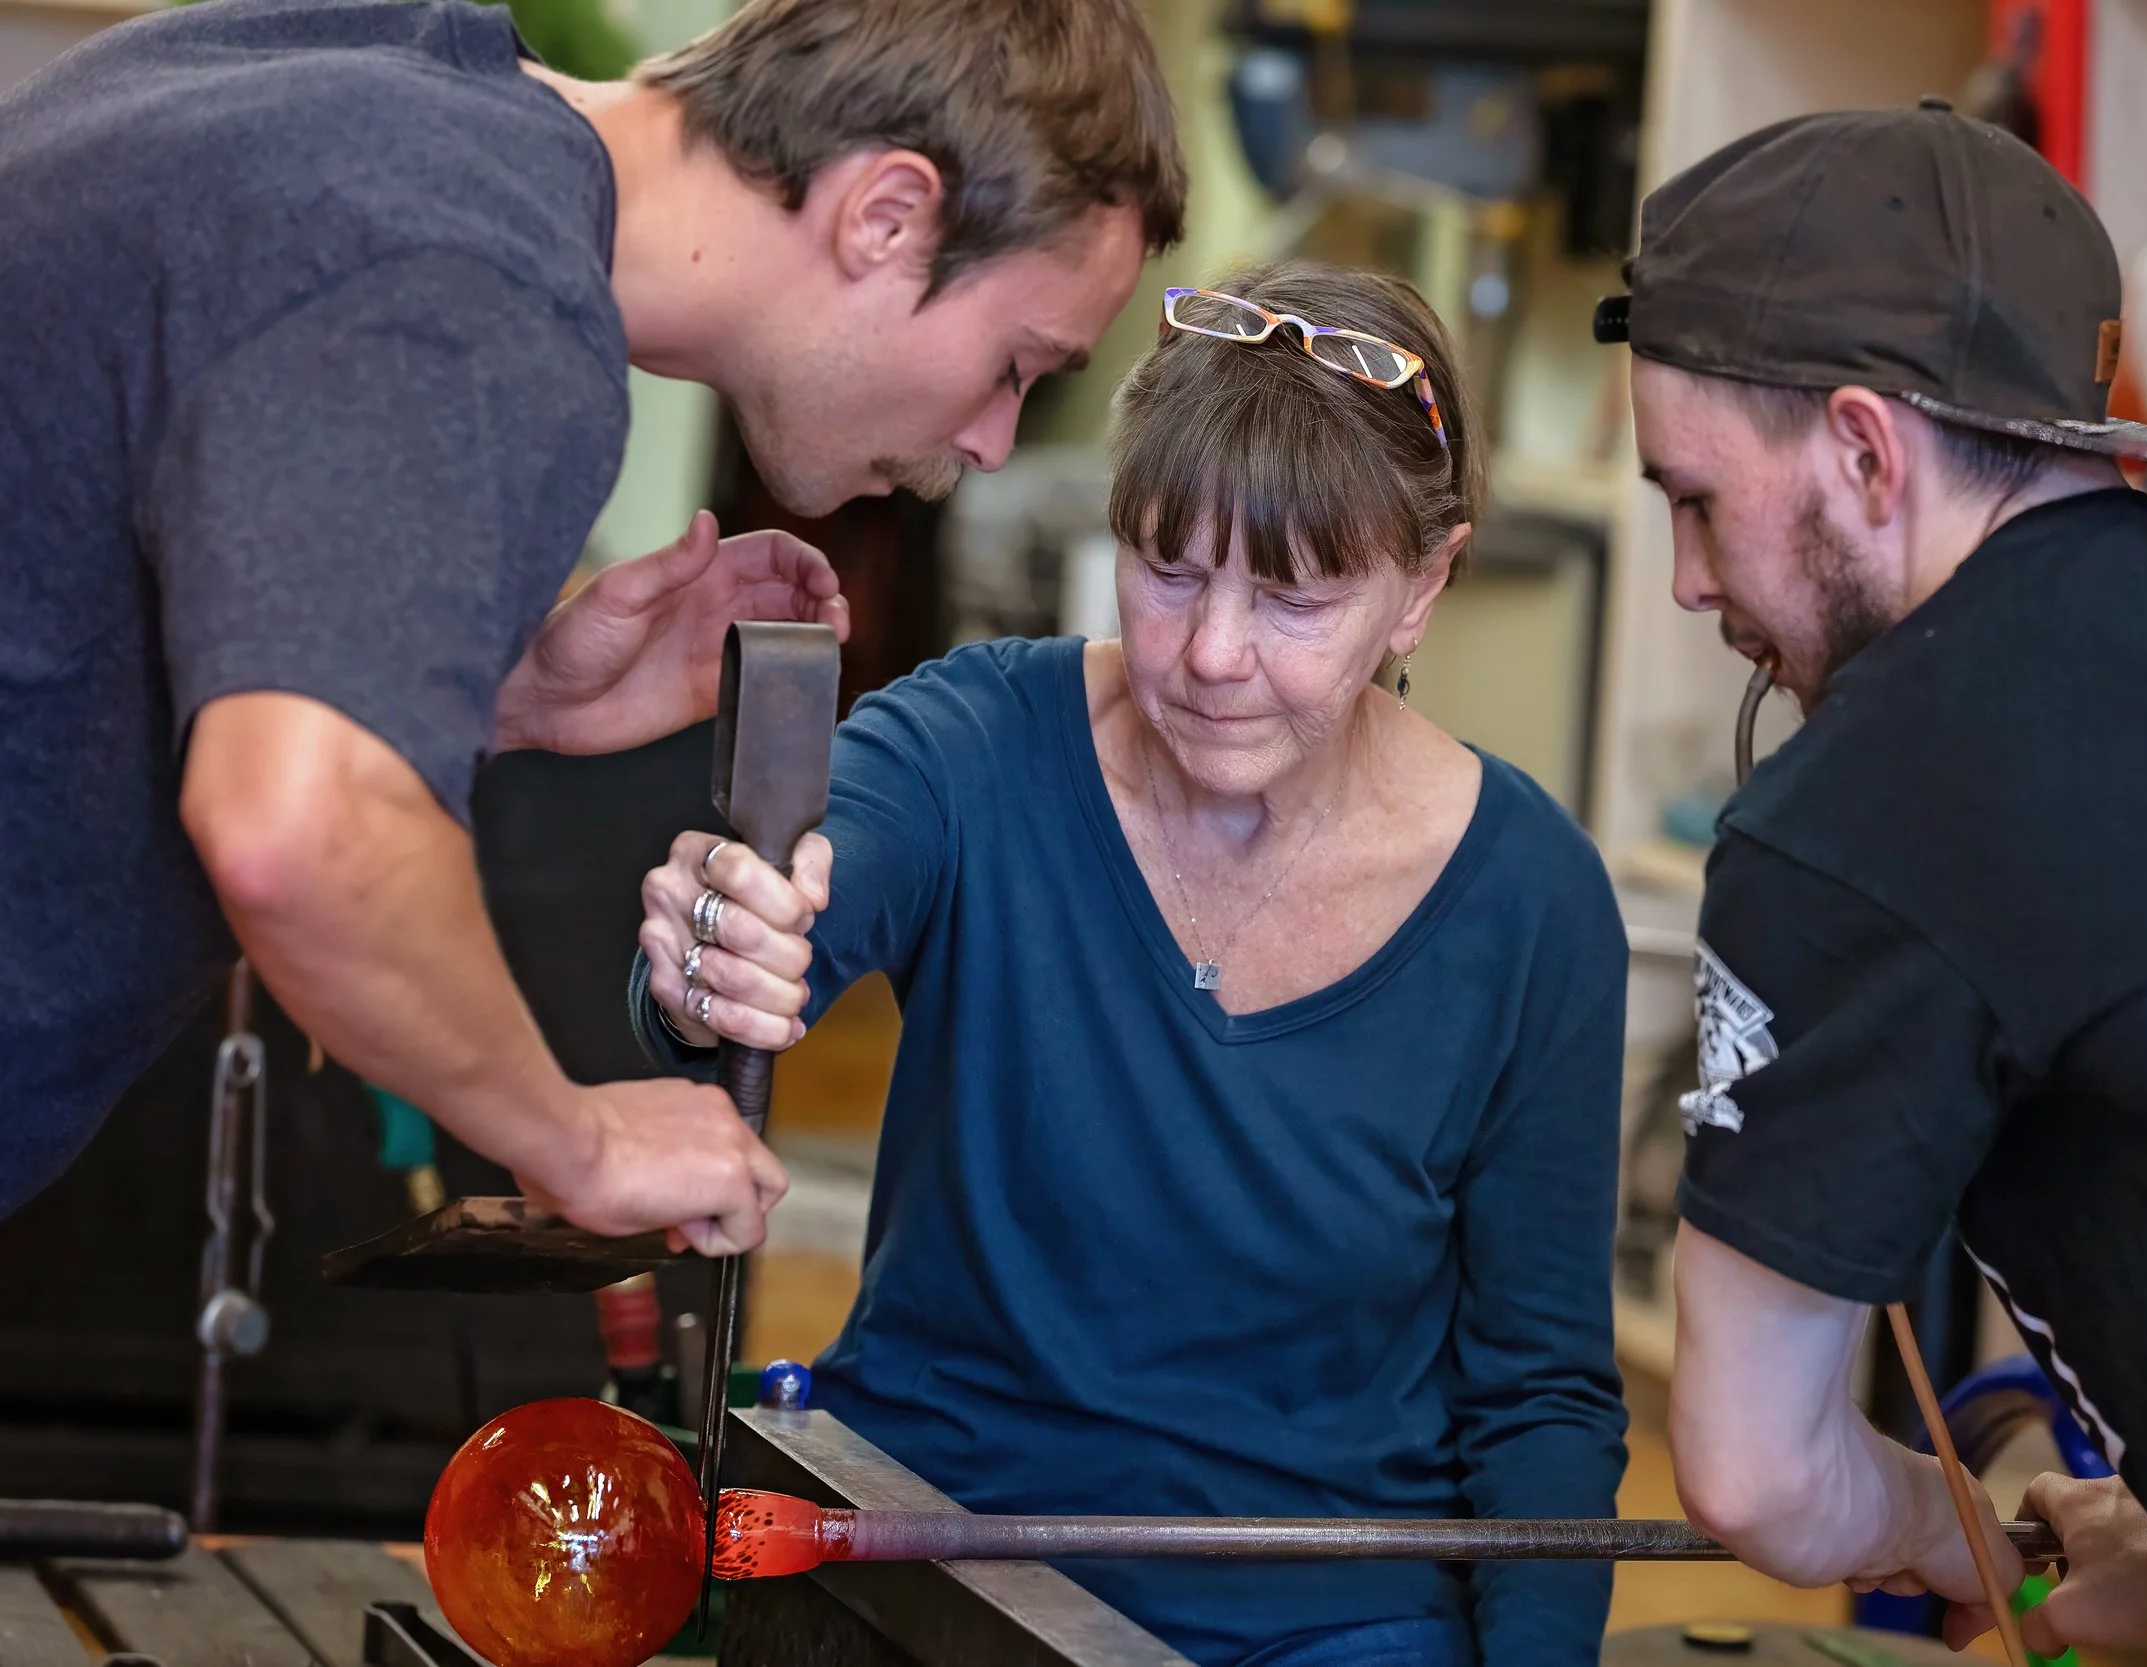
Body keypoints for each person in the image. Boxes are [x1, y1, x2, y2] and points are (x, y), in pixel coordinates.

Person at [0, 0, 1187, 1239]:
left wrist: (505, 694)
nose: (994, 442)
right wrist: (581, 1138)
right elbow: (298, 828)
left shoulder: (351, 85)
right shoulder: (473, 282)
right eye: (1016, 364)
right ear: (885, 215)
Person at [1595, 102, 2147, 1663]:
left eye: (1696, 498)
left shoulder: (1864, 802)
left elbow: (1752, 1463)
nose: (1688, 578)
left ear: (1867, 451)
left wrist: (1940, 1526)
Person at [632, 261, 1630, 1667]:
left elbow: (1539, 1398)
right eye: (1170, 569)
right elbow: (786, 904)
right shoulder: (972, 747)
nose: (1213, 652)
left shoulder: (1531, 899)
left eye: (1294, 597)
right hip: (938, 1564)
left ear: (1423, 585)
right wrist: (712, 949)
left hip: (1331, 1614)